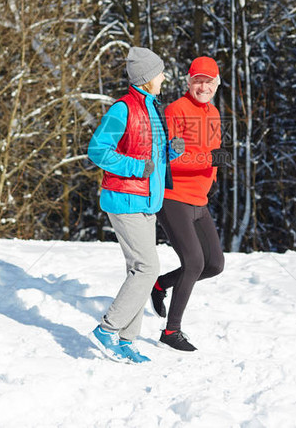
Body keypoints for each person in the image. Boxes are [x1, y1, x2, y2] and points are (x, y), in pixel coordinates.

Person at [86, 46, 184, 363]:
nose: (164, 77)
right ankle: (107, 329)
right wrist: (134, 167)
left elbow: (151, 156)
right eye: (160, 72)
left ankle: (126, 339)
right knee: (148, 269)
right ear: (145, 78)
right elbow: (98, 150)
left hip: (146, 201)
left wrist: (171, 152)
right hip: (125, 199)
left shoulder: (152, 109)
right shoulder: (123, 109)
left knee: (137, 269)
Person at [152, 56, 230, 352]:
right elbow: (167, 160)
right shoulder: (175, 111)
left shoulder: (214, 114)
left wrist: (211, 176)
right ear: (188, 81)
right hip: (174, 198)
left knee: (214, 264)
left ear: (217, 84)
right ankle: (171, 332)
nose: (203, 86)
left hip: (200, 200)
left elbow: (213, 151)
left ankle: (159, 285)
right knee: (194, 262)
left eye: (209, 82)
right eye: (198, 80)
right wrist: (207, 161)